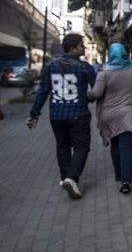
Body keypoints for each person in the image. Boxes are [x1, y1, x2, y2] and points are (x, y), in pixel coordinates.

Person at [25, 34, 97, 199]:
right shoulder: (84, 67)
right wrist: (90, 99)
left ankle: (66, 177)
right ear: (72, 49)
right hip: (78, 114)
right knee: (81, 147)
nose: (83, 48)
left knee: (62, 146)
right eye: (81, 46)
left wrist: (33, 115)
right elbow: (96, 89)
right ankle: (71, 178)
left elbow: (42, 92)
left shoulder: (50, 66)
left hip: (56, 115)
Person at [87, 43, 132, 194]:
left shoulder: (104, 72)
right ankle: (126, 181)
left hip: (109, 114)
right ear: (124, 54)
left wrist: (88, 95)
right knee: (126, 146)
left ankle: (118, 173)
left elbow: (95, 93)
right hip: (128, 113)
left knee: (115, 144)